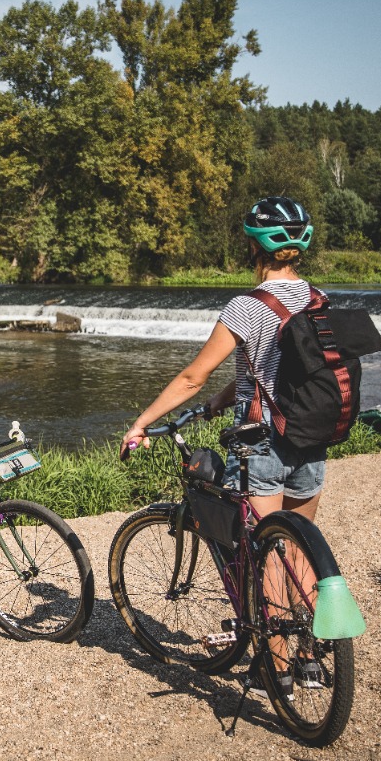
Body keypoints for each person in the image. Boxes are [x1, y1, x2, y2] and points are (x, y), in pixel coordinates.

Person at [121, 195, 327, 697]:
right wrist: (221, 402)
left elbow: (192, 376)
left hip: (264, 448)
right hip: (313, 441)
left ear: (253, 246)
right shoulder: (319, 298)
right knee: (299, 553)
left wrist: (141, 422)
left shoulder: (247, 308)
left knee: (268, 560)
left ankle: (274, 671)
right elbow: (273, 371)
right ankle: (313, 662)